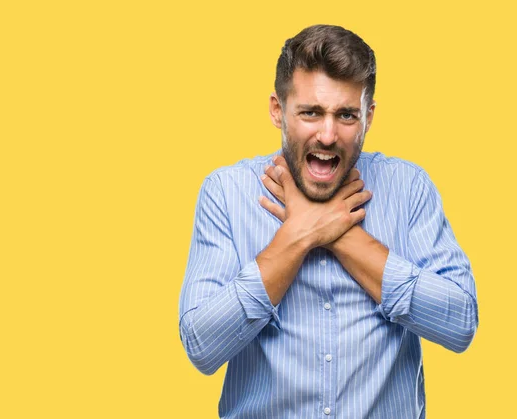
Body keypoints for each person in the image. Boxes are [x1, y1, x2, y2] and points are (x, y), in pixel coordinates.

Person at [179, 24, 478, 418]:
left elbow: (459, 323)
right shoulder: (226, 193)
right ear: (277, 110)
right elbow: (202, 345)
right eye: (311, 112)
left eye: (346, 115)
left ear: (369, 117)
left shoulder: (409, 188)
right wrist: (297, 237)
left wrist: (342, 236)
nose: (327, 133)